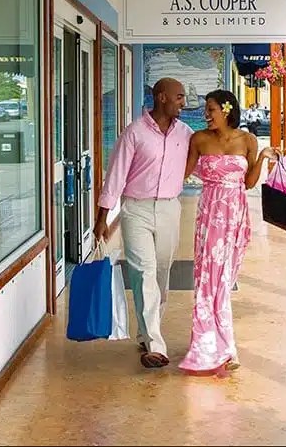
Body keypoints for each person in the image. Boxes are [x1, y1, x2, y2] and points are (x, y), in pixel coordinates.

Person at [93, 78, 192, 369]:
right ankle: (155, 344)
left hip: (170, 208)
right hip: (136, 209)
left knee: (161, 272)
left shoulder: (185, 133)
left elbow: (206, 157)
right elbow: (115, 176)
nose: (183, 102)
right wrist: (102, 218)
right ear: (161, 97)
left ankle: (146, 332)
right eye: (179, 96)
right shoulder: (134, 133)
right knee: (144, 272)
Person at [178, 89, 277, 376]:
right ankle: (214, 346)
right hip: (210, 215)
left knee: (225, 278)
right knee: (209, 279)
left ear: (227, 109)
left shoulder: (248, 140)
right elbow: (182, 173)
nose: (205, 115)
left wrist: (263, 158)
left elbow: (249, 183)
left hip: (235, 216)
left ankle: (220, 343)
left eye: (210, 109)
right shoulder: (199, 139)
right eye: (206, 110)